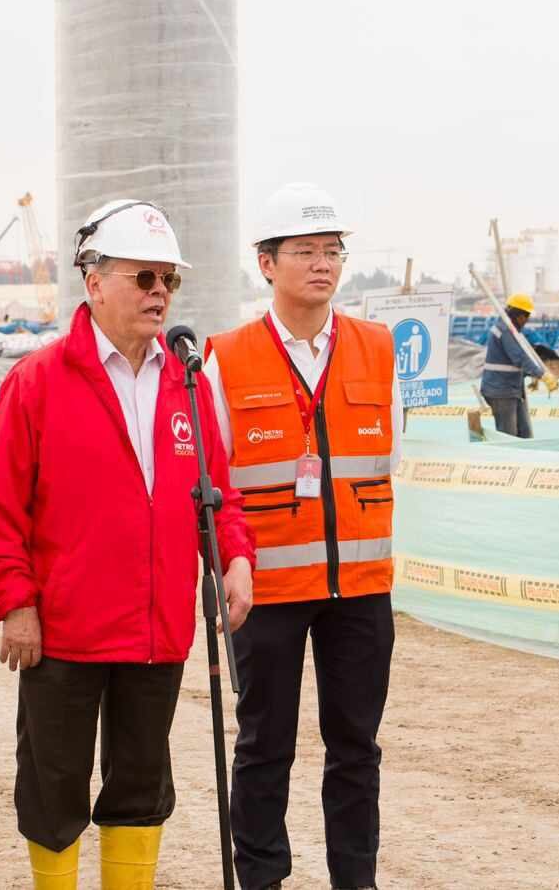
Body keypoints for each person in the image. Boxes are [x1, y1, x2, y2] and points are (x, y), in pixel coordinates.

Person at [0, 198, 256, 889]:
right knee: (53, 786)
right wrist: (15, 601)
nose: (160, 294)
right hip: (63, 632)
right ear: (94, 281)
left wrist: (237, 557)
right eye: (145, 278)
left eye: (169, 281)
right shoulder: (36, 382)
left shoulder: (188, 383)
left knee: (140, 787)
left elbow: (219, 494)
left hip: (156, 632)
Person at [203, 181, 402, 890]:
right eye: (306, 252)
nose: (323, 265)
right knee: (263, 747)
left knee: (356, 749)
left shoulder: (378, 350)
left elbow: (389, 458)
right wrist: (231, 565)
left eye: (333, 251)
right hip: (268, 591)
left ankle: (357, 880)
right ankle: (261, 881)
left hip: (360, 591)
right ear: (266, 264)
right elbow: (214, 485)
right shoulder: (226, 358)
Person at [478, 292, 559, 439]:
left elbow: (510, 362)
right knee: (508, 437)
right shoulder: (505, 330)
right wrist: (542, 375)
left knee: (524, 434)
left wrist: (532, 376)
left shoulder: (511, 330)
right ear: (519, 315)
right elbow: (519, 358)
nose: (526, 321)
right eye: (526, 316)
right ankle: (508, 462)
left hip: (511, 389)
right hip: (501, 391)